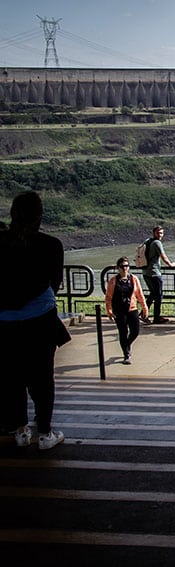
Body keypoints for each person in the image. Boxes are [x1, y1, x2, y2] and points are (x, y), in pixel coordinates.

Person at [0, 191, 70, 450]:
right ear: (39, 216)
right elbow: (55, 284)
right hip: (40, 320)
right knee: (42, 377)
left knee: (11, 376)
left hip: (4, 322)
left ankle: (20, 430)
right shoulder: (50, 245)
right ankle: (45, 433)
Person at [105, 255, 148, 364]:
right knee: (123, 332)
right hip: (119, 310)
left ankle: (127, 344)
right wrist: (109, 310)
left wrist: (144, 307)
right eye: (122, 266)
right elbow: (108, 297)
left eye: (127, 266)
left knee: (135, 331)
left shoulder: (133, 279)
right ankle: (126, 354)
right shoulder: (113, 281)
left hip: (132, 308)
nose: (125, 268)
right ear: (118, 267)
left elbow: (139, 294)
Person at [142, 225, 175, 324]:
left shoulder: (147, 241)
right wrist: (171, 264)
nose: (160, 235)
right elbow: (163, 256)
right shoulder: (157, 243)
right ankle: (155, 317)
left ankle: (143, 314)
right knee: (158, 295)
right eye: (158, 233)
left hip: (145, 272)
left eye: (161, 233)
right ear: (154, 233)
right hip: (154, 272)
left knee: (153, 294)